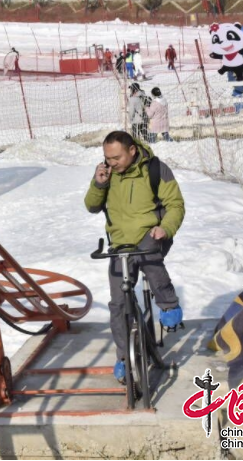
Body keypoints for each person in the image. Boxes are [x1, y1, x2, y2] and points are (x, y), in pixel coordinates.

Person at [84, 130, 185, 384]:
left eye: (116, 157)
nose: (111, 163)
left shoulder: (155, 169)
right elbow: (92, 205)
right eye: (107, 158)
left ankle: (169, 304)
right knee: (118, 302)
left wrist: (166, 228)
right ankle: (123, 358)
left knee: (150, 259)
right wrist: (99, 183)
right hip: (120, 241)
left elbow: (175, 205)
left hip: (151, 233)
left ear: (131, 150)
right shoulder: (107, 173)